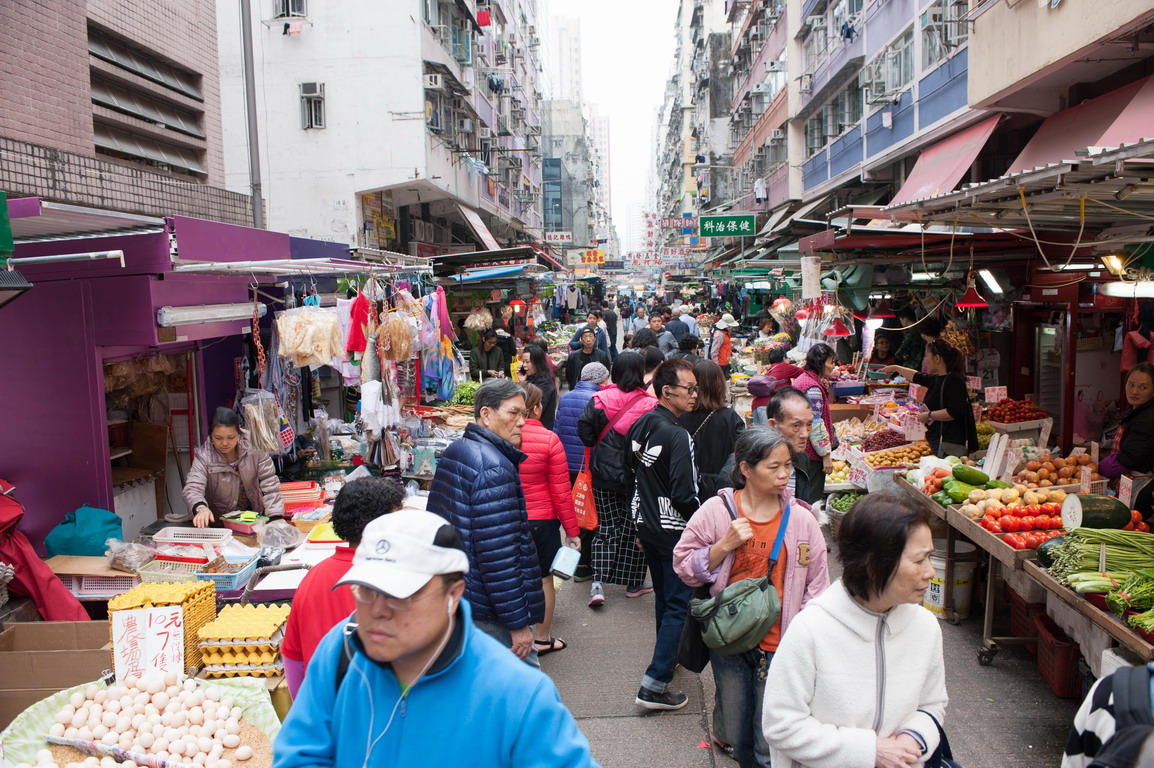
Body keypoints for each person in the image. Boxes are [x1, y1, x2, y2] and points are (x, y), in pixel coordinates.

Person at [272, 509, 598, 768]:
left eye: (400, 595)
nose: (377, 611)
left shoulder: (518, 695)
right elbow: (300, 753)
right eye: (367, 590)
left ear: (453, 594)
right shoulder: (341, 650)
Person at [674, 427, 830, 768]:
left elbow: (818, 585)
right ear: (746, 468)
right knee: (736, 730)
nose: (784, 474)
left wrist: (801, 637)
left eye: (788, 465)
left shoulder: (801, 520)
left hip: (780, 645)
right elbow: (683, 565)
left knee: (768, 738)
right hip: (729, 641)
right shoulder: (716, 512)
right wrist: (722, 547)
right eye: (774, 467)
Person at [762, 492, 948, 768]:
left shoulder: (925, 627)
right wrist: (870, 751)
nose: (930, 571)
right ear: (874, 564)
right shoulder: (811, 629)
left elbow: (933, 703)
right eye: (920, 560)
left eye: (929, 557)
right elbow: (781, 724)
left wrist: (913, 739)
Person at [427, 379, 544, 666]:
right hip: (489, 608)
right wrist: (517, 624)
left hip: (466, 595)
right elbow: (499, 556)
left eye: (523, 413)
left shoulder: (459, 448)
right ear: (486, 414)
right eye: (513, 413)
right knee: (525, 685)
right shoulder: (494, 469)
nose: (521, 422)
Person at [282, 477, 404, 696]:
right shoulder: (396, 580)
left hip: (324, 704)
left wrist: (306, 708)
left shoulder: (313, 577)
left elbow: (293, 656)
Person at [626, 358, 700, 711]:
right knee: (678, 604)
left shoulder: (641, 424)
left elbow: (632, 475)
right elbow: (684, 493)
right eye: (689, 388)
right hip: (672, 530)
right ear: (667, 391)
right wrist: (702, 524)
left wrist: (639, 520)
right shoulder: (677, 434)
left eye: (696, 388)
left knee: (664, 599)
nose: (694, 394)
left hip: (647, 524)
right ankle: (654, 685)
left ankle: (667, 657)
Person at [577, 351, 658, 608]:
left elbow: (585, 432)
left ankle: (598, 584)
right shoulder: (650, 404)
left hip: (603, 475)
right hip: (637, 476)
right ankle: (633, 583)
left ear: (615, 372)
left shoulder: (599, 399)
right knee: (634, 527)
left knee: (606, 528)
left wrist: (601, 446)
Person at [518, 383, 582, 657]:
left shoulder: (499, 437)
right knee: (544, 579)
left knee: (510, 577)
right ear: (535, 408)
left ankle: (512, 636)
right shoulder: (549, 440)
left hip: (507, 518)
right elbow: (561, 492)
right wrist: (572, 531)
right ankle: (542, 639)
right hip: (542, 521)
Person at [554, 361, 609, 582]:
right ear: (599, 379)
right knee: (587, 512)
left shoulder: (565, 397)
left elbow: (557, 429)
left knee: (572, 510)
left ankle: (573, 558)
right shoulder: (598, 399)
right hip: (587, 466)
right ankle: (583, 564)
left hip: (566, 463)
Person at [183, 407, 284, 527]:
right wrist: (200, 508)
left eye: (231, 437)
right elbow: (193, 488)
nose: (224, 443)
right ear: (210, 436)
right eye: (218, 438)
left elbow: (269, 482)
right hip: (220, 523)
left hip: (256, 519)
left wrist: (275, 516)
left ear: (239, 433)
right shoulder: (204, 456)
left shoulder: (255, 446)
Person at [882, 339, 978, 457]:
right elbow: (917, 376)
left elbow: (954, 411)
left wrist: (929, 415)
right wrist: (896, 368)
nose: (925, 361)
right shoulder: (938, 378)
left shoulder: (954, 380)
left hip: (948, 443)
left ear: (936, 358)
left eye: (927, 356)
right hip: (937, 439)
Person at [679, 360, 746, 501]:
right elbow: (741, 454)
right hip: (724, 489)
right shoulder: (731, 418)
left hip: (689, 487)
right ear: (719, 385)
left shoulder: (680, 416)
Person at [1099, 362, 1154, 521]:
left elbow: (1130, 458)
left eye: (1143, 387)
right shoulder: (1136, 409)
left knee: (1136, 522)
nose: (1134, 391)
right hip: (1131, 476)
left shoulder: (1148, 418)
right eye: (1131, 384)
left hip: (1143, 483)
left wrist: (1102, 467)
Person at [792, 343, 839, 499]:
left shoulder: (804, 379)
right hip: (811, 453)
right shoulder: (812, 387)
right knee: (811, 496)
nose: (833, 366)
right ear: (820, 362)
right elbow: (815, 425)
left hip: (801, 449)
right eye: (831, 362)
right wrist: (826, 455)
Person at [520, 343, 558, 430]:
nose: (524, 365)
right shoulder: (529, 378)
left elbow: (532, 408)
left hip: (541, 428)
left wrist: (523, 384)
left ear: (537, 363)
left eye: (527, 362)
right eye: (523, 362)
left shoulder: (545, 383)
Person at [565, 327, 611, 391]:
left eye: (590, 336)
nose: (588, 339)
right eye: (585, 337)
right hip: (579, 390)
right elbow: (569, 375)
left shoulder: (602, 355)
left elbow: (606, 373)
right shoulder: (573, 356)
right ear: (581, 339)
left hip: (597, 390)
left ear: (595, 338)